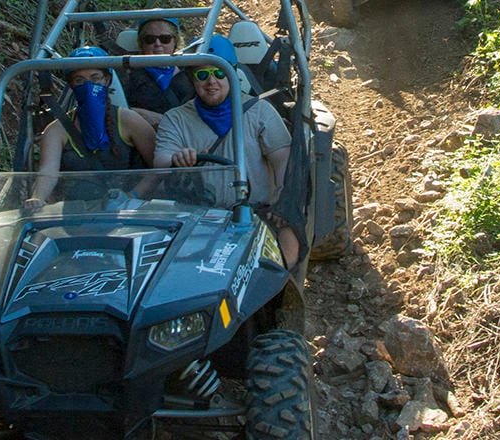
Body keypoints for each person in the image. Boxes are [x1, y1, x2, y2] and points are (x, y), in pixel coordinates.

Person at [154, 37, 300, 266]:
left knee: (288, 234)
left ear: (232, 74)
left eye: (219, 73)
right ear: (193, 79)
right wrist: (176, 159)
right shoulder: (176, 118)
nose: (211, 81)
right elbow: (160, 162)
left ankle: (283, 284)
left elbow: (283, 159)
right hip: (198, 215)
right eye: (202, 75)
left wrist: (281, 200)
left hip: (254, 212)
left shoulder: (259, 111)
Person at [27, 47, 156, 209]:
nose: (88, 86)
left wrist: (132, 197)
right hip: (78, 215)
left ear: (107, 80)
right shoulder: (57, 130)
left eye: (95, 78)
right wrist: (37, 197)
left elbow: (158, 168)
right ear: (71, 84)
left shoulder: (129, 121)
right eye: (80, 80)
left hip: (128, 213)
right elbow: (47, 171)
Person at [121, 18, 196, 128]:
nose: (157, 44)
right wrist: (137, 113)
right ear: (141, 43)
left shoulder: (191, 70)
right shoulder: (127, 73)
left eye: (165, 39)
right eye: (149, 39)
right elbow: (116, 107)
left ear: (175, 41)